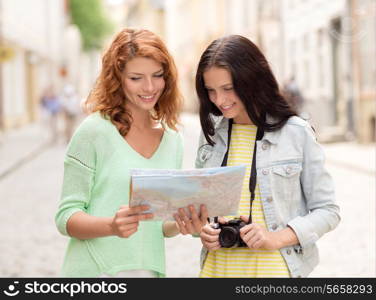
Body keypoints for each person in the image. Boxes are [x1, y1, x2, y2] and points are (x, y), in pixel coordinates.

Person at [178, 35, 340, 278]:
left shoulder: (296, 132)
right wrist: (203, 230)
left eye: (228, 88)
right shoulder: (211, 135)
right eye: (211, 91)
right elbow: (201, 214)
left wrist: (276, 238)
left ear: (251, 80)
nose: (219, 100)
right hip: (215, 272)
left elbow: (328, 211)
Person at [55, 28, 188, 277]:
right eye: (136, 78)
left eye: (157, 75)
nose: (149, 87)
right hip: (94, 274)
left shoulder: (173, 140)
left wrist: (182, 223)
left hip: (148, 272)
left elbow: (160, 224)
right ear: (117, 79)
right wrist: (111, 226)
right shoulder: (93, 131)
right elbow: (66, 217)